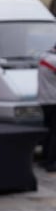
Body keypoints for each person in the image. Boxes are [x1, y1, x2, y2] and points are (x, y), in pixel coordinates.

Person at [38, 43, 56, 172]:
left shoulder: (44, 56)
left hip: (44, 100)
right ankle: (51, 163)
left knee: (48, 131)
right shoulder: (54, 60)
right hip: (54, 100)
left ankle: (44, 160)